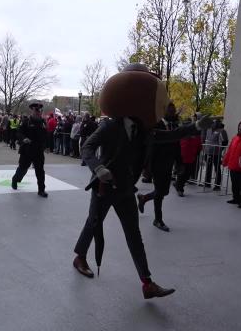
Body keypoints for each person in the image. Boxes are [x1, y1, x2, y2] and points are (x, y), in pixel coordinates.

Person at [72, 63, 213, 299]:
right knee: (94, 224)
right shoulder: (109, 126)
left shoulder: (143, 130)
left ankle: (147, 282)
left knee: (134, 235)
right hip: (104, 188)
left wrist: (195, 127)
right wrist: (98, 168)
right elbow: (87, 147)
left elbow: (170, 135)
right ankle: (80, 256)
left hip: (126, 189)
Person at [136, 102, 182, 231]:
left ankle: (144, 198)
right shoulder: (158, 124)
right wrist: (147, 167)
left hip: (169, 163)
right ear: (164, 111)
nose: (172, 112)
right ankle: (158, 219)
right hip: (157, 164)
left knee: (164, 192)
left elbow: (177, 145)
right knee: (160, 192)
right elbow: (151, 147)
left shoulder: (175, 125)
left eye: (173, 110)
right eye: (170, 110)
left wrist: (179, 162)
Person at [11, 102, 48, 197]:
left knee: (40, 171)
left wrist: (46, 146)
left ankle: (41, 190)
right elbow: (19, 132)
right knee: (22, 169)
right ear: (32, 110)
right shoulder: (26, 121)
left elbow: (45, 135)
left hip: (38, 150)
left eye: (40, 110)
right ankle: (15, 179)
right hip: (27, 150)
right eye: (36, 110)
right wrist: (23, 139)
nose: (38, 112)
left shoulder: (43, 122)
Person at [174, 129, 202, 197]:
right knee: (181, 174)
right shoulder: (182, 137)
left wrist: (196, 152)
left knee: (188, 174)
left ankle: (178, 184)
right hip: (181, 159)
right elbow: (176, 146)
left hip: (191, 158)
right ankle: (180, 189)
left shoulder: (197, 138)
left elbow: (199, 146)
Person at [203, 120, 228, 190]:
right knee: (208, 167)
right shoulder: (208, 130)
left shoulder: (221, 131)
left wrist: (220, 149)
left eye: (213, 123)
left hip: (216, 153)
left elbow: (225, 141)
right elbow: (206, 139)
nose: (212, 124)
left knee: (217, 168)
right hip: (208, 152)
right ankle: (207, 183)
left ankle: (217, 185)